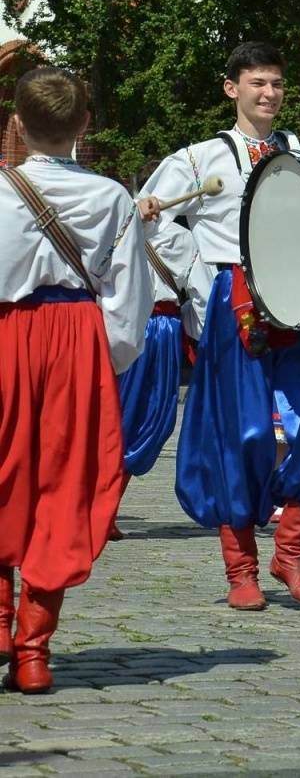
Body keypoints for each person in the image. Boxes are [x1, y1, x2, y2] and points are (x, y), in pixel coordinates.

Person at [137, 41, 300, 611]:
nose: (269, 93)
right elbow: (149, 218)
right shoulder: (198, 159)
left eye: (277, 83)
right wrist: (201, 271)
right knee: (243, 435)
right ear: (232, 88)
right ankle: (241, 571)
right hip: (236, 306)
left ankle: (291, 552)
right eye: (258, 83)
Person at [0, 65, 154, 693]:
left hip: (6, 335)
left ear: (16, 124)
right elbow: (129, 302)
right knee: (63, 489)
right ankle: (33, 653)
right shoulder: (113, 198)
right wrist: (104, 363)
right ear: (85, 126)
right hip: (76, 341)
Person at [114, 207, 213, 536]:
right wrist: (199, 334)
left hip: (116, 327)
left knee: (113, 417)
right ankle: (105, 509)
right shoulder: (181, 238)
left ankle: (98, 509)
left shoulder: (111, 228)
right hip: (158, 330)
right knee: (146, 418)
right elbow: (201, 295)